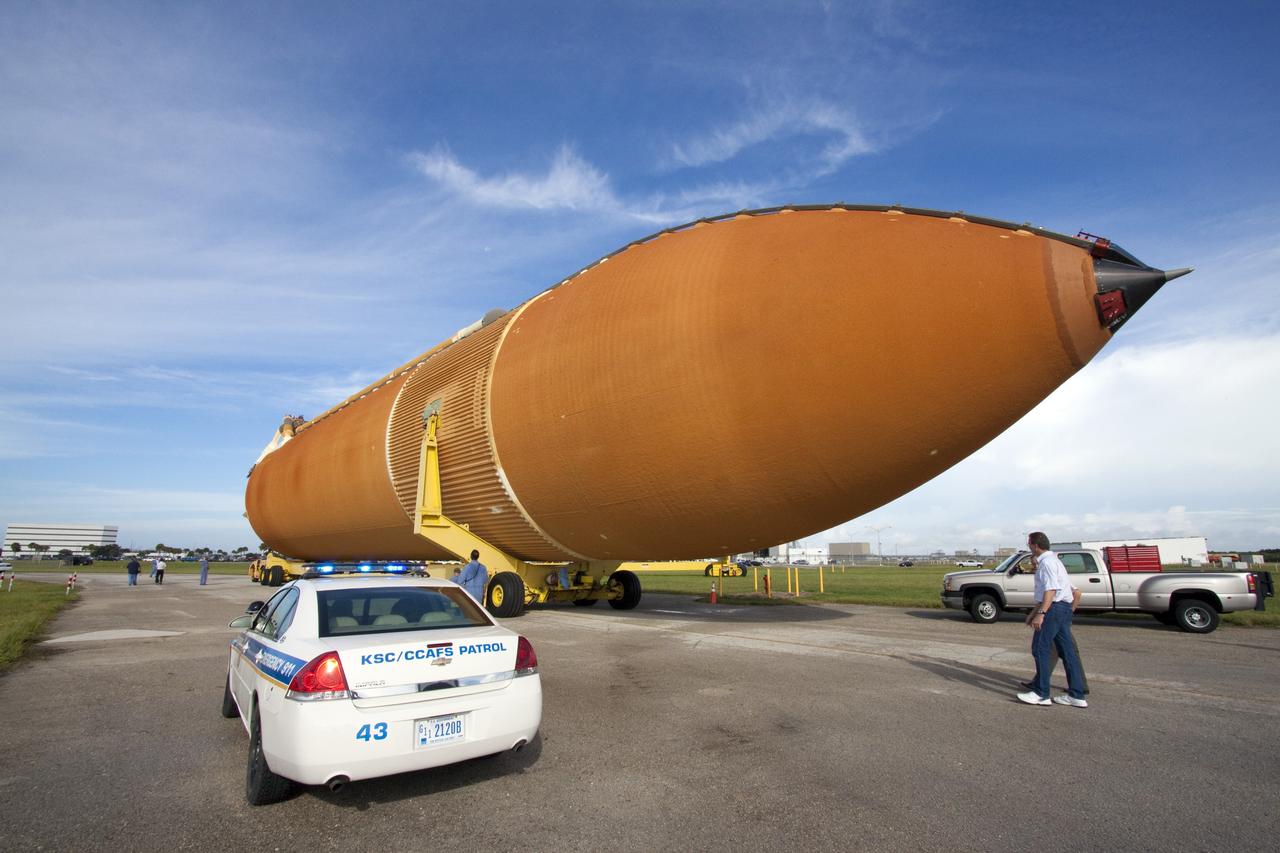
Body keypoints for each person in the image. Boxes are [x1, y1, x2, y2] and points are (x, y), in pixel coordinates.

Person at [1017, 532, 1088, 708]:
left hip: (1053, 608)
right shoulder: (1055, 561)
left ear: (1035, 545)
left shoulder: (1046, 563)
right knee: (1067, 652)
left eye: (1029, 544)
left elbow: (1051, 591)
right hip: (1063, 608)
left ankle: (1041, 693)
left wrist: (1041, 613)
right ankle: (1077, 695)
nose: (1029, 547)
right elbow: (1073, 592)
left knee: (1041, 648)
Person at [1020, 586, 1089, 695]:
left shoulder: (1054, 576)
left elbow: (1077, 593)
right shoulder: (1056, 576)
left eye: (1034, 567)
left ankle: (1078, 687)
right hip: (1058, 618)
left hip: (1055, 618)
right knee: (1061, 652)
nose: (1033, 568)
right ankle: (1078, 687)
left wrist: (1068, 614)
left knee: (1062, 652)